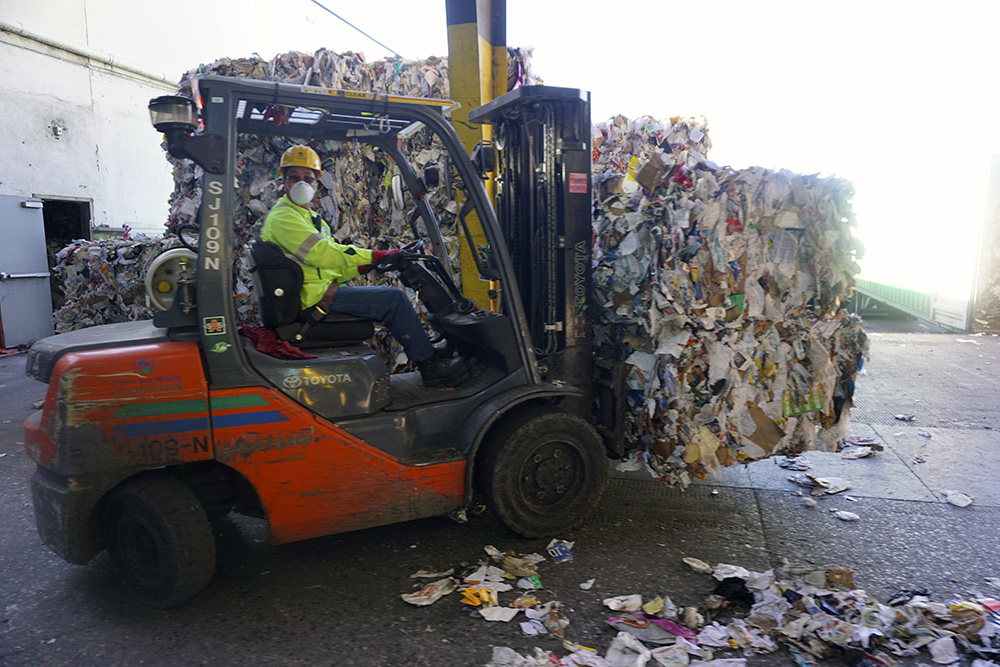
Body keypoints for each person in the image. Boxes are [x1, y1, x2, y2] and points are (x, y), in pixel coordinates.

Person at [261, 145, 471, 387]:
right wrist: (375, 255)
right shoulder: (284, 217)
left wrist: (368, 265)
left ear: (317, 184)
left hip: (315, 291)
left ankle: (431, 354)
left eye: (308, 178)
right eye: (294, 178)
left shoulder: (307, 218)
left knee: (391, 297)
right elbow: (324, 254)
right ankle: (431, 366)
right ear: (284, 181)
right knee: (395, 301)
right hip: (312, 298)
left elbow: (331, 265)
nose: (302, 184)